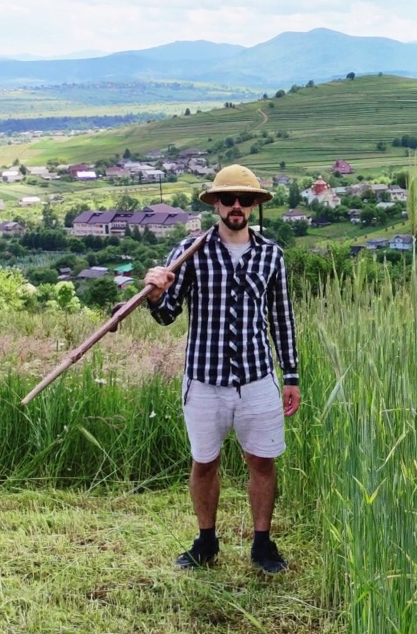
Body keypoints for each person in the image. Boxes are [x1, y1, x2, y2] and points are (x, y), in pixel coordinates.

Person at [143, 164, 301, 575]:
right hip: (204, 380)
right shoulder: (190, 251)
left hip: (257, 380)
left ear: (254, 206)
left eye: (244, 200)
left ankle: (262, 544)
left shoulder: (271, 255)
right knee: (204, 462)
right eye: (228, 198)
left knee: (262, 461)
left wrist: (291, 376)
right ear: (215, 203)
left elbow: (281, 319)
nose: (236, 206)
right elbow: (167, 315)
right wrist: (157, 294)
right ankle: (206, 541)